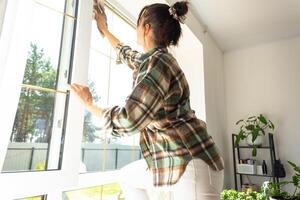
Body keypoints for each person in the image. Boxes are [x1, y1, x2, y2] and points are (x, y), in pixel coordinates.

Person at [70, 1, 225, 200]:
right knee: (127, 177)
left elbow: (130, 119)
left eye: (137, 23)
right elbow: (128, 55)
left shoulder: (158, 63)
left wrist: (89, 105)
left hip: (192, 166)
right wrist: (104, 30)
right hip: (184, 162)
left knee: (128, 178)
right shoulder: (154, 60)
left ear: (146, 27)